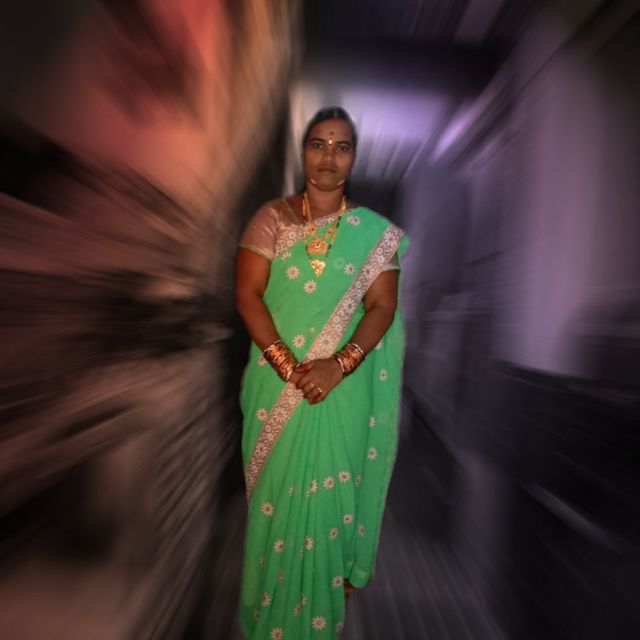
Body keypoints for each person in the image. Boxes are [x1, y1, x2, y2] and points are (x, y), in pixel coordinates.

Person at [235, 106, 408, 639]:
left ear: (353, 158)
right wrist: (289, 367)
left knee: (331, 509)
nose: (328, 157)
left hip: (342, 395)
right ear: (303, 151)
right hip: (275, 390)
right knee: (275, 514)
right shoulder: (270, 219)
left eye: (341, 146)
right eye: (318, 144)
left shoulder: (373, 235)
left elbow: (382, 306)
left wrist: (340, 365)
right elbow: (248, 295)